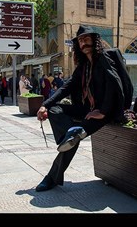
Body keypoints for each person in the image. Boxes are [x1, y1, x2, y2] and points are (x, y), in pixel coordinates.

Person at [35, 25, 131, 192]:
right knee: (55, 110)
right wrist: (45, 105)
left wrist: (103, 111)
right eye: (80, 40)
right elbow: (67, 87)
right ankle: (68, 138)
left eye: (86, 39)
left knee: (75, 135)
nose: (83, 43)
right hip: (87, 110)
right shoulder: (84, 66)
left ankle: (51, 177)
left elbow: (114, 84)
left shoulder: (104, 58)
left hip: (105, 113)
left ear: (94, 41)